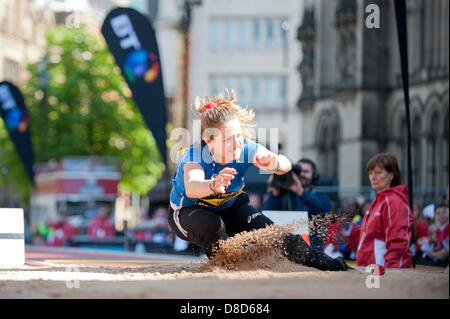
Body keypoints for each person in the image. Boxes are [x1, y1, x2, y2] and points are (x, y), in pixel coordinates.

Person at [168, 89, 349, 271]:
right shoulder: (195, 156)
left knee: (274, 235)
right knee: (214, 226)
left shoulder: (245, 149)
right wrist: (214, 184)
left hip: (231, 206)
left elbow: (286, 163)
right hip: (188, 212)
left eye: (239, 136)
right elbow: (192, 187)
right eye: (229, 139)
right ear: (210, 141)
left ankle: (327, 264)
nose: (238, 143)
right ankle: (225, 265)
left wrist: (275, 163)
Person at [356, 153, 414, 268]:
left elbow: (398, 242)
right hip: (371, 271)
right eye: (370, 173)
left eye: (378, 172)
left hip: (383, 273)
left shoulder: (393, 202)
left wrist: (392, 272)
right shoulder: (379, 200)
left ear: (391, 175)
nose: (373, 177)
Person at [262, 158, 331, 251]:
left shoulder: (319, 195)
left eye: (306, 172)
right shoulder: (282, 195)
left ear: (314, 175)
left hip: (312, 251)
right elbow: (266, 217)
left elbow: (323, 213)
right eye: (298, 171)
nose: (301, 174)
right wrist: (275, 192)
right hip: (285, 249)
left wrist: (301, 192)